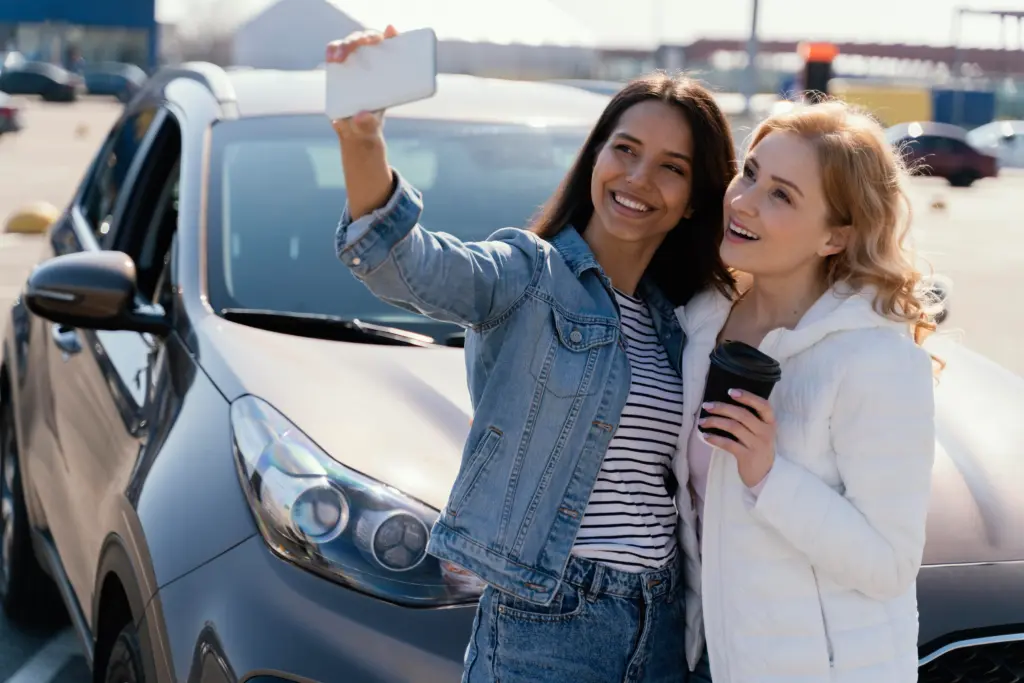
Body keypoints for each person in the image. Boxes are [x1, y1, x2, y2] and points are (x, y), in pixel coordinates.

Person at [329, 26, 736, 683]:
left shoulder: (682, 322)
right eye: (624, 150)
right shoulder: (526, 275)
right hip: (548, 620)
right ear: (595, 158)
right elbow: (403, 264)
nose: (639, 178)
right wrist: (361, 141)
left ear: (694, 200)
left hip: (662, 624)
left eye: (672, 167)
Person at [674, 100, 939, 682]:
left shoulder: (876, 360)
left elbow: (889, 565)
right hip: (709, 660)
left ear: (834, 237)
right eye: (750, 173)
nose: (743, 202)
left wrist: (769, 476)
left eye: (782, 196)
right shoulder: (699, 324)